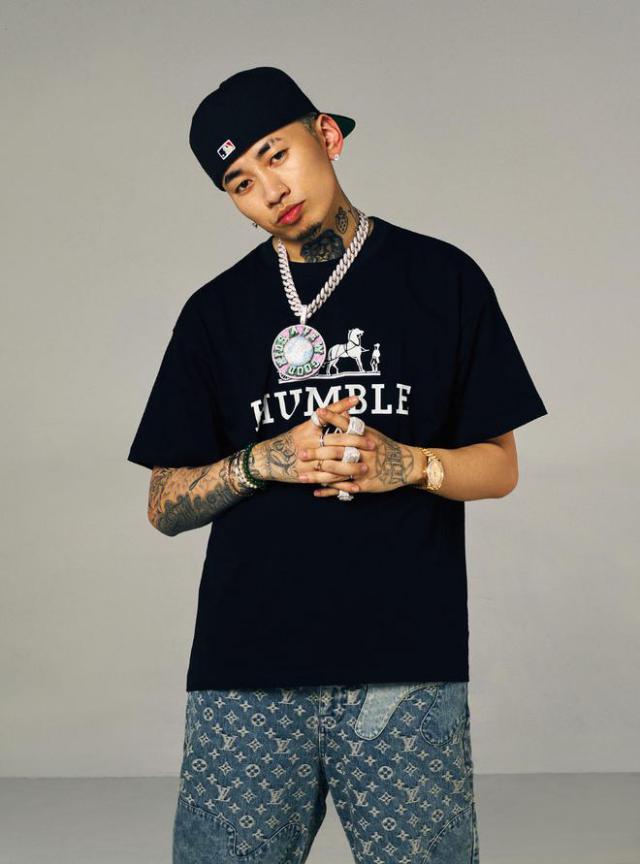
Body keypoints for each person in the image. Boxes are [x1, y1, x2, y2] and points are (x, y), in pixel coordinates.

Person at [127, 66, 548, 864]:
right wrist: (264, 460)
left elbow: (499, 467)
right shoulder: (214, 313)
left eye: (276, 154)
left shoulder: (442, 279)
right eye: (241, 182)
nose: (270, 191)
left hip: (406, 670)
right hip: (244, 673)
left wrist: (408, 464)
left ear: (327, 136)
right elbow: (162, 503)